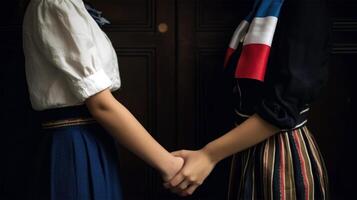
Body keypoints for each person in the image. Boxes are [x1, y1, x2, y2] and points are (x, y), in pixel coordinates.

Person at [165, 0, 331, 199]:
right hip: (239, 147)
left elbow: (283, 107)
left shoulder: (306, 7)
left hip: (280, 153)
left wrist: (209, 155)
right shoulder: (258, 5)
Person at [22, 0, 183, 199]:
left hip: (92, 138)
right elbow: (101, 105)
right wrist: (169, 165)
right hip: (74, 145)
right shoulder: (57, 4)